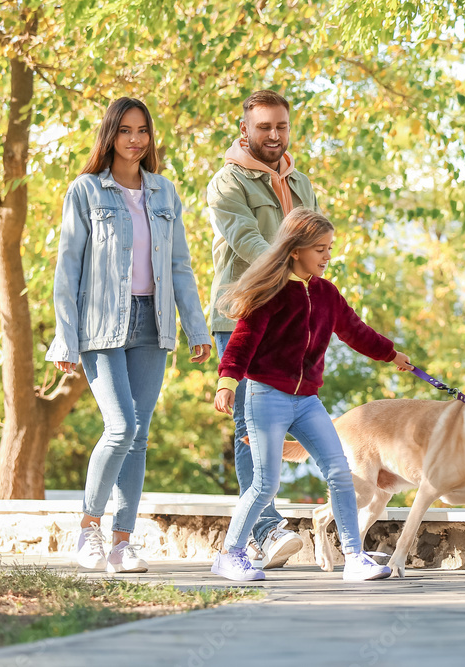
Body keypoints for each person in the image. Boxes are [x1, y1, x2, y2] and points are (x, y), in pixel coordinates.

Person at [47, 97, 212, 573]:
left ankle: (122, 542)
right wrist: (65, 338)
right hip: (101, 324)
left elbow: (180, 267)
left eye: (142, 131)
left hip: (153, 322)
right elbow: (67, 270)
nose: (135, 140)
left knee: (139, 437)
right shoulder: (86, 191)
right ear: (110, 135)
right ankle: (87, 530)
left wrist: (195, 328)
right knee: (120, 427)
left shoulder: (164, 193)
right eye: (125, 131)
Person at [211, 207, 413, 582]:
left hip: (306, 401)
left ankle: (353, 558)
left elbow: (355, 331)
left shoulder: (326, 294)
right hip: (265, 395)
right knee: (265, 483)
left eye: (330, 247)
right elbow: (242, 341)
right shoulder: (270, 293)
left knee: (340, 471)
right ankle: (230, 554)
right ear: (295, 250)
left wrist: (391, 354)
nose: (327, 256)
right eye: (319, 248)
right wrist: (227, 381)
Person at [207, 90, 318, 568]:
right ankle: (267, 529)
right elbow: (248, 242)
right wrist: (294, 260)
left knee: (290, 419)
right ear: (245, 129)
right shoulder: (227, 182)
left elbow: (316, 243)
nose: (274, 135)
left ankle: (254, 534)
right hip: (243, 316)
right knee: (250, 424)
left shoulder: (301, 182)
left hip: (292, 318)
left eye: (281, 127)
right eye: (264, 127)